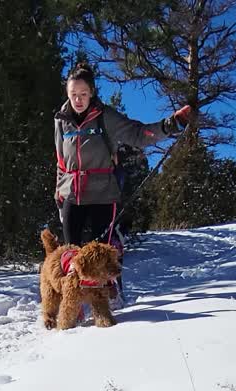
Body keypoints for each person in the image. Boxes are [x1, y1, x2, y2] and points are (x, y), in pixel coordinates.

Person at [54, 64, 192, 252]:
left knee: (102, 257)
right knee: (70, 255)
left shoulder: (105, 117)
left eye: (83, 94)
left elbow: (138, 134)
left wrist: (169, 125)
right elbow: (61, 160)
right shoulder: (61, 121)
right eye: (73, 94)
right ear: (67, 93)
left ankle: (112, 282)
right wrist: (58, 191)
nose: (78, 99)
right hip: (71, 193)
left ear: (92, 92)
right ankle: (72, 283)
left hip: (102, 193)